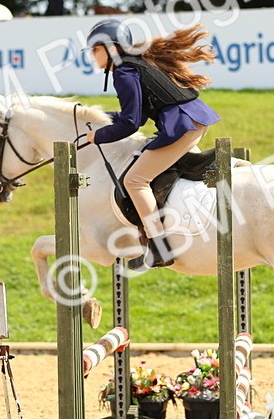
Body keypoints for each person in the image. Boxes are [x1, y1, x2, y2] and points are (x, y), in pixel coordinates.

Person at [83, 20, 221, 270]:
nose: (93, 55)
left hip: (182, 126)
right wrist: (100, 119)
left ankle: (158, 248)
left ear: (110, 48)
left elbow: (131, 123)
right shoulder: (134, 65)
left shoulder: (123, 72)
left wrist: (99, 136)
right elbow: (137, 114)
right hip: (192, 120)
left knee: (134, 181)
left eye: (95, 49)